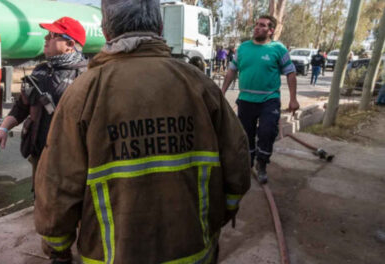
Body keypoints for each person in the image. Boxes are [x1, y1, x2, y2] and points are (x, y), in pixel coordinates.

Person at [34, 0, 252, 263]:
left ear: (106, 32)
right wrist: (220, 216)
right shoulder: (200, 85)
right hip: (195, 253)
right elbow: (238, 163)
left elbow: (58, 183)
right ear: (160, 28)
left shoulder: (83, 93)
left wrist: (58, 248)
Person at [0, 17, 88, 193]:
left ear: (70, 44)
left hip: (70, 160)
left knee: (65, 204)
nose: (45, 39)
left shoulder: (86, 75)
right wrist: (3, 129)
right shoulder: (40, 71)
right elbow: (22, 106)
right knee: (40, 198)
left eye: (52, 35)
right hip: (39, 155)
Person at [221, 15, 299, 184]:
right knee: (245, 134)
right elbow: (232, 71)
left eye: (262, 25)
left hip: (269, 99)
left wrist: (293, 99)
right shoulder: (243, 48)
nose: (257, 27)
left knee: (267, 132)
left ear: (271, 31)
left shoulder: (278, 49)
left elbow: (290, 73)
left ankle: (262, 164)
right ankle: (248, 164)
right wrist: (222, 91)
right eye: (256, 24)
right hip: (246, 100)